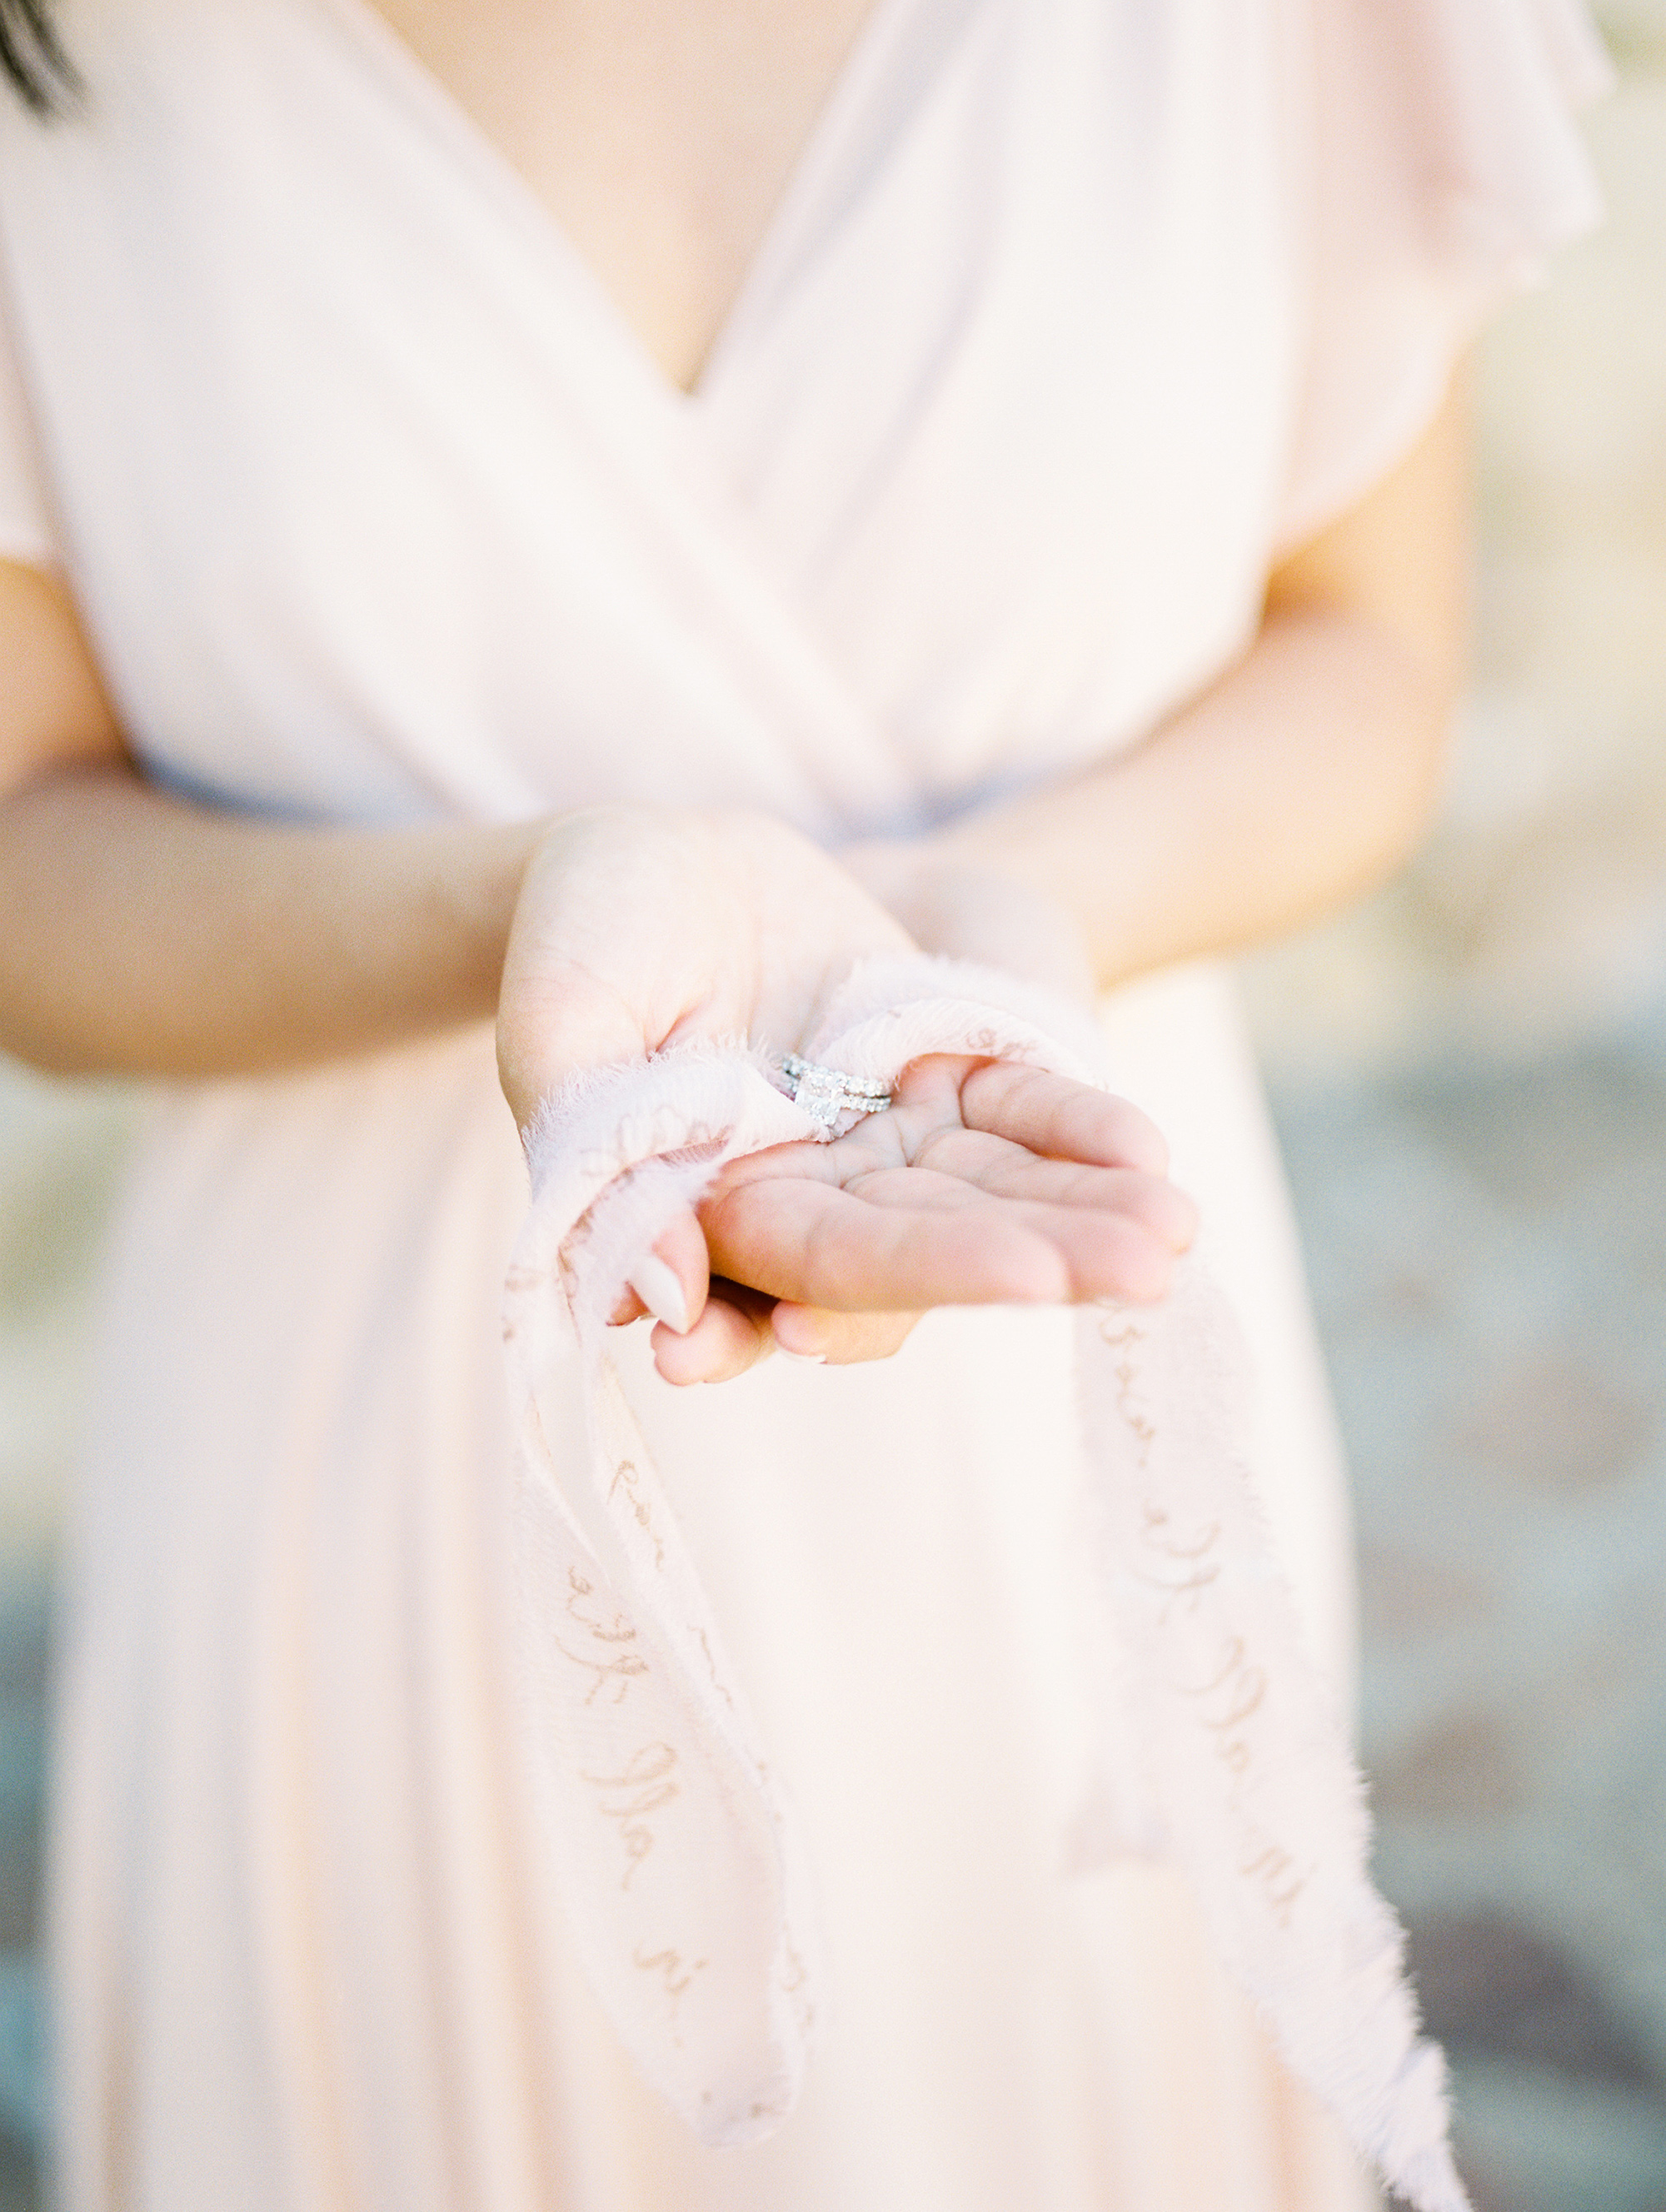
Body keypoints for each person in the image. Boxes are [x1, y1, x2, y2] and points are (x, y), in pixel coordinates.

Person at [0, 0, 1605, 2205]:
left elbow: (1365, 653)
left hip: (1045, 1417)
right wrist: (514, 916)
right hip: (365, 1484)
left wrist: (974, 943)